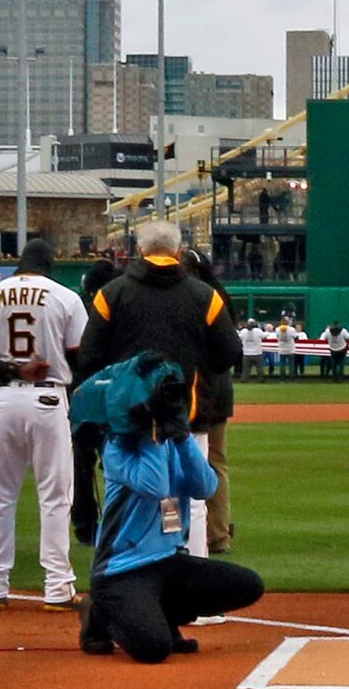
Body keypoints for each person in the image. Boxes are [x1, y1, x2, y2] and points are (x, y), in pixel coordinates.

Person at [80, 353, 264, 665]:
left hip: (167, 561)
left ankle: (164, 614)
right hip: (122, 570)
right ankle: (100, 612)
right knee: (153, 649)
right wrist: (151, 434)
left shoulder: (171, 441)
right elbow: (156, 487)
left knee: (247, 585)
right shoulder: (116, 447)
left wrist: (181, 438)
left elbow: (205, 487)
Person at [78, 220, 247, 552]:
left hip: (128, 418)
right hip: (187, 417)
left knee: (127, 496)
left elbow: (89, 357)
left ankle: (131, 579)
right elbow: (228, 353)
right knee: (194, 504)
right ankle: (194, 591)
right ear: (179, 252)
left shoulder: (112, 294)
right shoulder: (204, 296)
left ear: (139, 252)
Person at [0, 240, 88, 605]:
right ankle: (57, 586)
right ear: (49, 265)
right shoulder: (64, 296)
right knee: (54, 498)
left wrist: (12, 368)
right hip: (48, 399)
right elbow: (81, 356)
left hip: (4, 399)